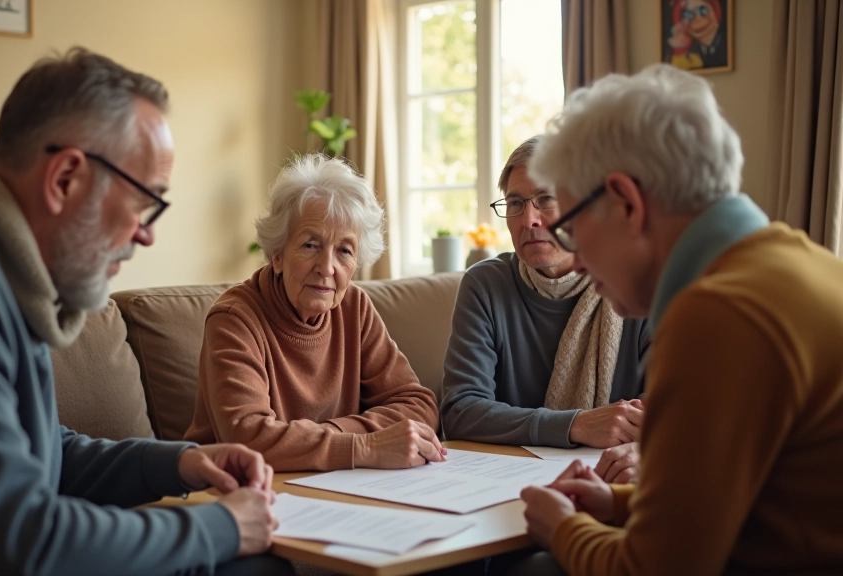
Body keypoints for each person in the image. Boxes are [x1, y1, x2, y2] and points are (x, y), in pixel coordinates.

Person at [0, 48, 292, 576]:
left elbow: (42, 454)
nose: (146, 233)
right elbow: (25, 542)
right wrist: (222, 528)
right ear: (66, 178)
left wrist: (178, 463)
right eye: (144, 202)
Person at [519, 63, 843, 574]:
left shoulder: (719, 314)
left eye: (573, 230)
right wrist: (616, 506)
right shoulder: (800, 262)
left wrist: (563, 527)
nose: (576, 259)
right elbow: (750, 505)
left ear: (625, 202)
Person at [184, 154, 444, 472]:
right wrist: (365, 445)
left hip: (335, 486)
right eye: (310, 245)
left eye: (344, 251)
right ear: (277, 255)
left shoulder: (354, 308)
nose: (327, 268)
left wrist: (328, 438)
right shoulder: (234, 320)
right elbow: (248, 439)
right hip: (235, 491)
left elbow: (418, 406)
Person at [439, 136, 649, 484]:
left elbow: (674, 409)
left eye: (546, 199)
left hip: (615, 479)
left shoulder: (637, 283)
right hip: (503, 482)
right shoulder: (485, 285)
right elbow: (460, 411)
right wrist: (576, 424)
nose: (529, 219)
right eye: (516, 203)